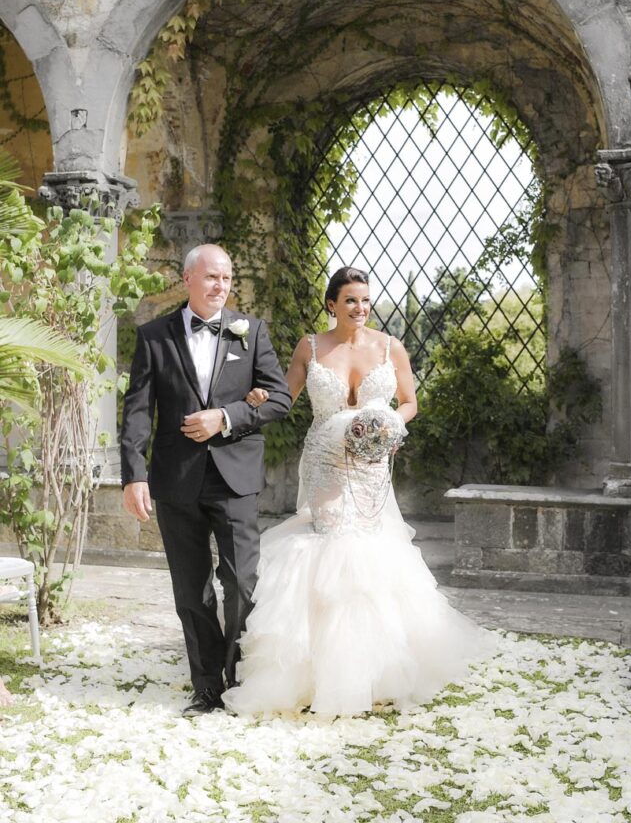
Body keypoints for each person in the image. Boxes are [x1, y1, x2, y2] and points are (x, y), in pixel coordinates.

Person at [225, 266, 497, 717]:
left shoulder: (391, 348)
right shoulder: (311, 347)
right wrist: (256, 399)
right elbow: (285, 397)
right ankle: (317, 671)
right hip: (324, 460)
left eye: (366, 300)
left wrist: (389, 425)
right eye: (351, 300)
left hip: (371, 462)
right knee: (333, 543)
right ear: (332, 304)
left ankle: (378, 670)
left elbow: (409, 402)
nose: (360, 308)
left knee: (370, 544)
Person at [120, 244, 292, 716]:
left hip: (234, 478)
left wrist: (227, 416)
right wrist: (133, 475)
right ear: (188, 278)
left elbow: (279, 397)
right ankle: (207, 686)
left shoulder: (251, 332)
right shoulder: (154, 336)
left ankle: (239, 679)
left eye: (227, 278)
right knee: (191, 589)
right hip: (176, 479)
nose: (221, 286)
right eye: (212, 277)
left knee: (242, 582)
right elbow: (138, 410)